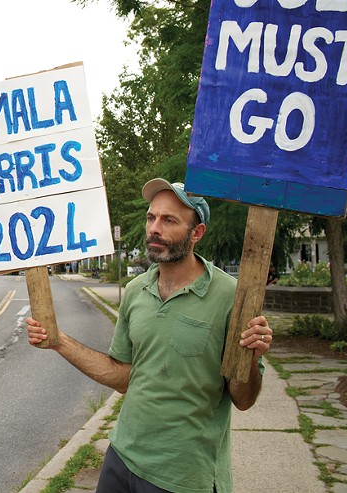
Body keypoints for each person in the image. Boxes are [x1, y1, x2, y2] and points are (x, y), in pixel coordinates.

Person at [26, 178, 272, 493]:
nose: (154, 228)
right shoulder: (134, 291)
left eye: (169, 220)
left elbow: (244, 399)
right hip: (122, 457)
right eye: (151, 217)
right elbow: (123, 376)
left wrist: (251, 356)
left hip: (183, 476)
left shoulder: (233, 297)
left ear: (196, 233)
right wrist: (59, 341)